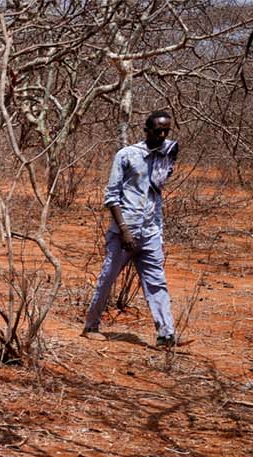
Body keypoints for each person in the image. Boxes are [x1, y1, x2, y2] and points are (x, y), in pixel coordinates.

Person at [83, 110, 181, 347]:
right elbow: (112, 196)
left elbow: (159, 184)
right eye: (157, 130)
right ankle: (91, 325)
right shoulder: (127, 155)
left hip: (151, 230)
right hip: (124, 231)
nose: (162, 134)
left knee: (157, 281)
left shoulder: (166, 154)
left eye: (166, 130)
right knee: (107, 278)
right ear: (146, 129)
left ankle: (166, 335)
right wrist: (124, 230)